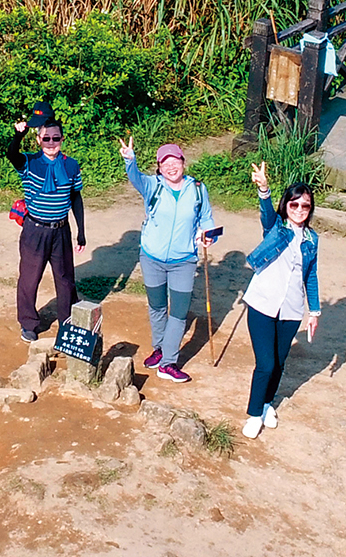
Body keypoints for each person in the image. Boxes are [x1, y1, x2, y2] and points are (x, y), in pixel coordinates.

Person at [121, 137, 226, 383]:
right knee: (157, 307)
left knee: (178, 313)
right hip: (151, 258)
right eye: (164, 163)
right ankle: (159, 349)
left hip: (184, 261)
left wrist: (208, 235)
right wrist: (129, 160)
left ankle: (168, 362)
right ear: (159, 167)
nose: (171, 167)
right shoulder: (152, 186)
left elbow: (206, 218)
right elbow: (135, 177)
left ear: (183, 162)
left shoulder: (198, 189)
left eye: (175, 161)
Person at [237, 162, 322, 439]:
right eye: (294, 204)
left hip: (292, 309)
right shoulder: (276, 228)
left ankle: (266, 403)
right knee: (266, 363)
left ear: (310, 210)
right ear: (286, 205)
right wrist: (264, 188)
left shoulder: (312, 239)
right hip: (262, 304)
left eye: (305, 206)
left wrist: (315, 311)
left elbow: (310, 275)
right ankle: (253, 414)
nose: (299, 210)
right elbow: (265, 213)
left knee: (280, 361)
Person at [7, 109, 87, 343]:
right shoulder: (29, 162)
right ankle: (29, 323)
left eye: (56, 138)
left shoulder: (71, 165)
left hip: (61, 230)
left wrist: (81, 230)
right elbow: (12, 154)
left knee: (65, 279)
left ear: (62, 139)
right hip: (35, 231)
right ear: (38, 140)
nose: (51, 143)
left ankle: (67, 321)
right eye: (46, 138)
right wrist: (17, 136)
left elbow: (76, 198)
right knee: (29, 279)